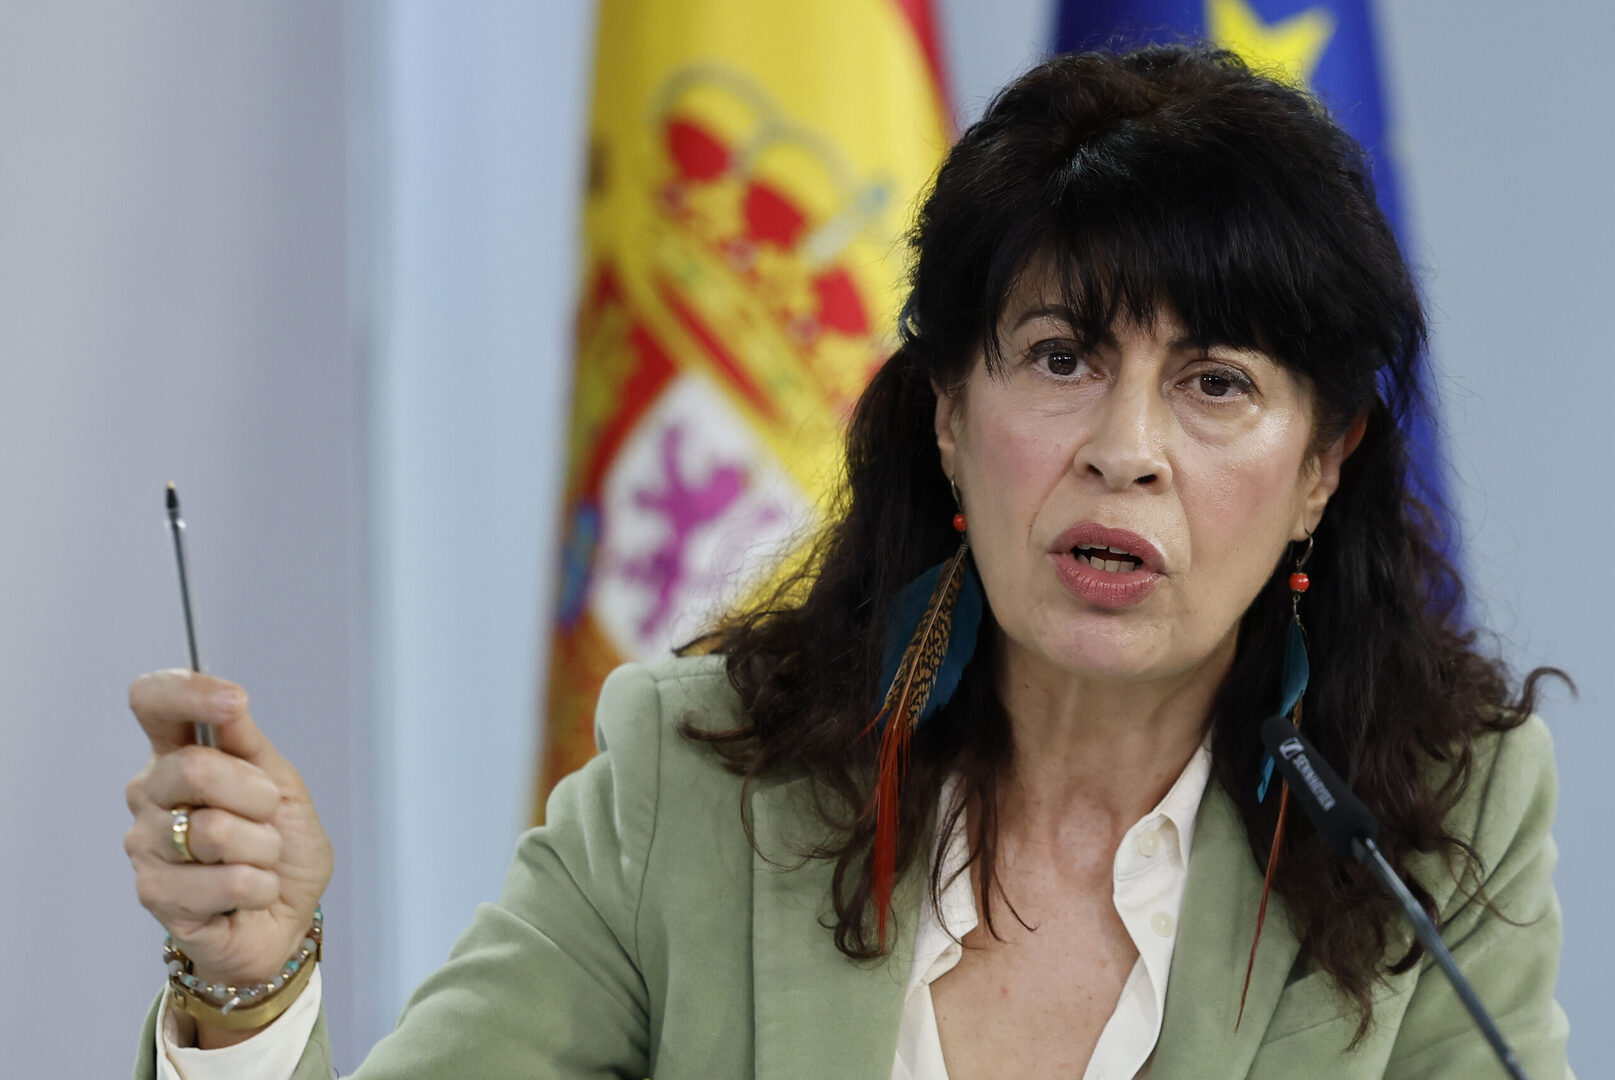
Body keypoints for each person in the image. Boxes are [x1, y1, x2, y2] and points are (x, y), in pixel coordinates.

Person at [124, 45, 1573, 1079]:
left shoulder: (1438, 822)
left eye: (1215, 385)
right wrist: (250, 988)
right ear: (948, 415)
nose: (1126, 451)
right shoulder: (704, 780)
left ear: (1323, 467)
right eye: (1060, 358)